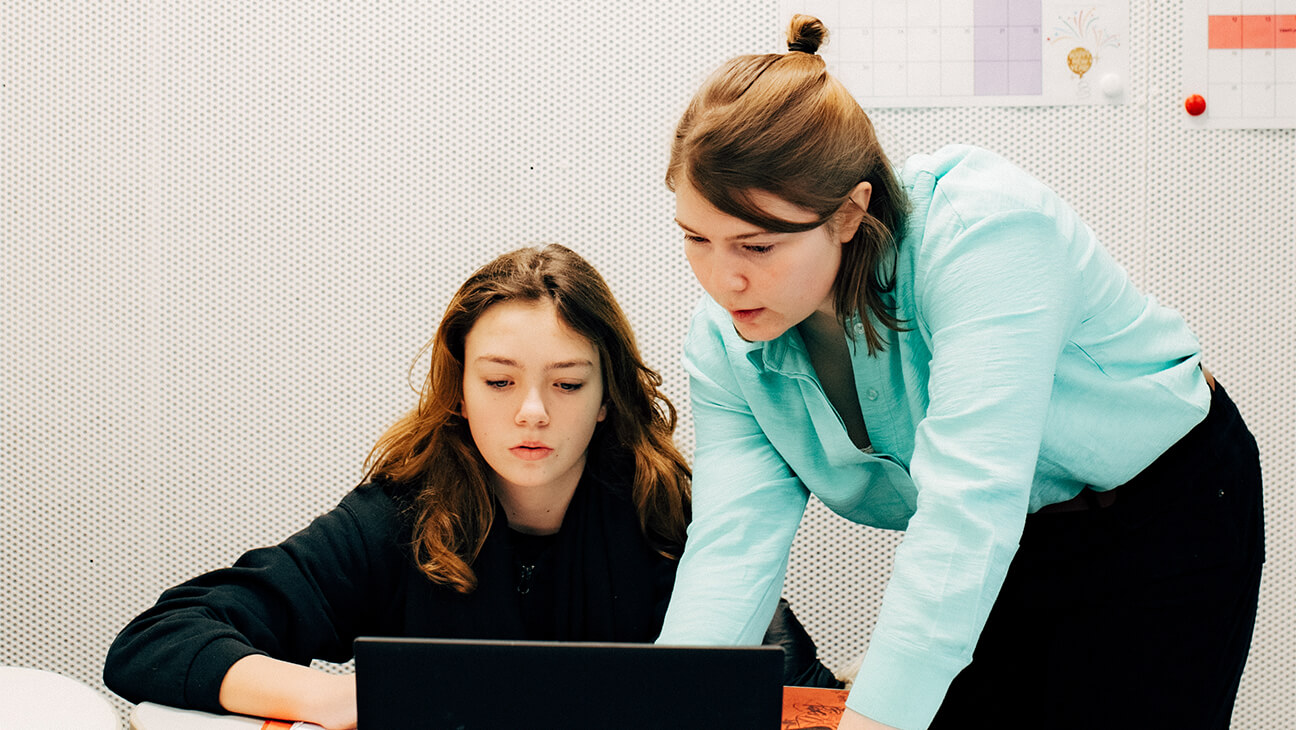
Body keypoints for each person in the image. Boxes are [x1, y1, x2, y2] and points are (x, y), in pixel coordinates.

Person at [655, 15, 1264, 730]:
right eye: (697, 239)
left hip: (1162, 510)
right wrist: (670, 706)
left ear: (851, 212)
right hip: (1014, 538)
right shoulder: (725, 344)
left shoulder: (985, 233)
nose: (722, 279)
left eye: (756, 246)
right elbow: (734, 543)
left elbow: (968, 507)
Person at [104, 245, 838, 730]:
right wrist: (335, 696)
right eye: (498, 380)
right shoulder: (399, 515)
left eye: (568, 383)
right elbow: (157, 640)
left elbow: (800, 693)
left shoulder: (669, 517)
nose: (532, 412)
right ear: (459, 390)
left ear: (608, 397)